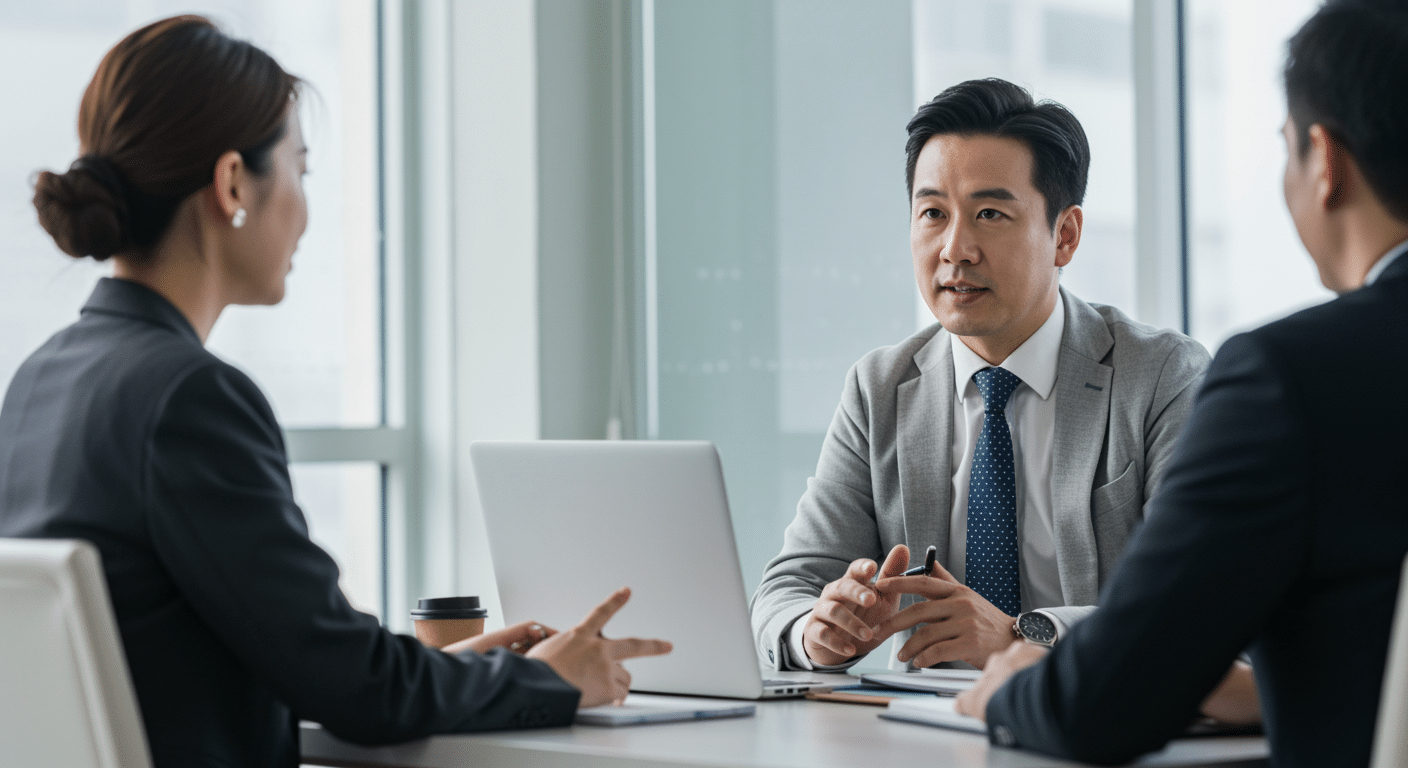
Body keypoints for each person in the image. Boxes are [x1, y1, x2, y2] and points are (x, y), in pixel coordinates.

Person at [0, 16, 669, 768]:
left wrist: (452, 672)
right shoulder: (188, 398)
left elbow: (285, 658)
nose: (306, 209)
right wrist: (546, 681)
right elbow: (359, 692)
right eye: (302, 170)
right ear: (232, 183)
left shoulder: (39, 383)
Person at [953, 2, 1408, 766]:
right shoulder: (886, 382)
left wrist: (1009, 689)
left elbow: (1108, 699)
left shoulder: (1288, 378)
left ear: (1324, 161)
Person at [750, 77, 1214, 679]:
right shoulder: (880, 388)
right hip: (921, 724)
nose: (955, 249)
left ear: (1065, 235)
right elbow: (788, 587)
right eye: (933, 214)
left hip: (1096, 716)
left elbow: (1196, 598)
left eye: (990, 214)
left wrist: (1021, 637)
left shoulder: (1161, 378)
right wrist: (816, 632)